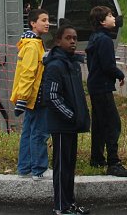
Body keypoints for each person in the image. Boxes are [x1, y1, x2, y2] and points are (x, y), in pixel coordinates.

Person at [42, 24, 91, 215]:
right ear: (58, 41)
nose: (72, 41)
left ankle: (70, 203)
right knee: (61, 167)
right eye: (68, 38)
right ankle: (61, 206)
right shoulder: (55, 66)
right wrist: (71, 115)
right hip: (62, 125)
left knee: (70, 166)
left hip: (72, 125)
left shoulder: (73, 64)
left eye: (75, 38)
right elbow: (52, 97)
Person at [85, 5, 127, 177]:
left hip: (95, 85)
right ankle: (114, 162)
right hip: (103, 86)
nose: (114, 18)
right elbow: (108, 65)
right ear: (102, 21)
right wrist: (120, 74)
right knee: (113, 124)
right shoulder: (104, 40)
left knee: (99, 123)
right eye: (110, 15)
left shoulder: (95, 38)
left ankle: (96, 158)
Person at [12, 8, 50, 180]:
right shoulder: (34, 46)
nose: (47, 23)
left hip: (30, 96)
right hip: (36, 96)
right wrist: (24, 97)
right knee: (39, 133)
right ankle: (39, 169)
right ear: (33, 23)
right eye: (43, 20)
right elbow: (28, 72)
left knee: (28, 131)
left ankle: (24, 168)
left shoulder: (30, 43)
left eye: (47, 20)